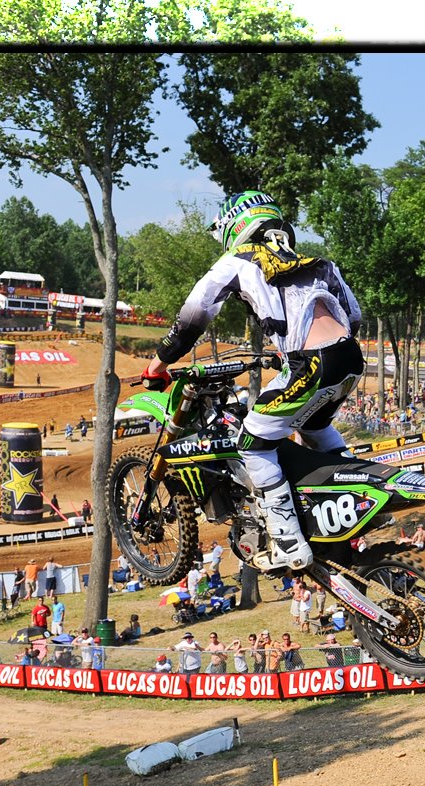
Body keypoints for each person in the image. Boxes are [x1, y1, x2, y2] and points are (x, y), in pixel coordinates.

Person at [140, 189, 365, 572]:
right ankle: (354, 500)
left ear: (235, 226)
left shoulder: (238, 259)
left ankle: (288, 541)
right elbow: (354, 317)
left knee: (253, 443)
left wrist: (160, 362)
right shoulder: (322, 263)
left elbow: (193, 316)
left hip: (311, 364)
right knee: (315, 423)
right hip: (350, 357)